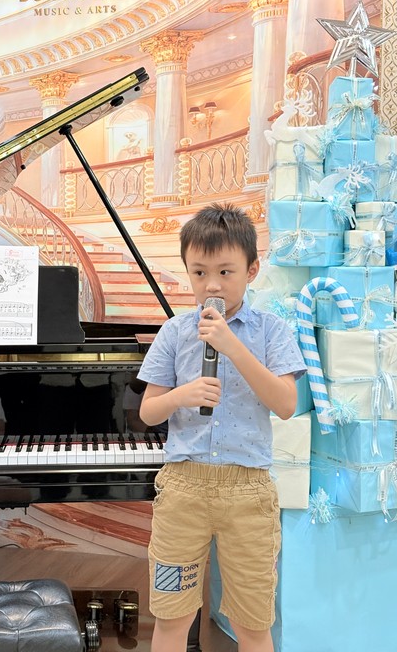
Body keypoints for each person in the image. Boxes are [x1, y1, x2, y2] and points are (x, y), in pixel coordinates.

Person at [137, 202, 306, 652]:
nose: (211, 285)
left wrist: (233, 347)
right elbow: (149, 412)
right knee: (171, 616)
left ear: (252, 270)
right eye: (199, 273)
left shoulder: (271, 330)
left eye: (225, 272)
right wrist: (181, 395)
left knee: (253, 622)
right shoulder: (175, 332)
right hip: (183, 491)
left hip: (248, 494)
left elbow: (286, 404)